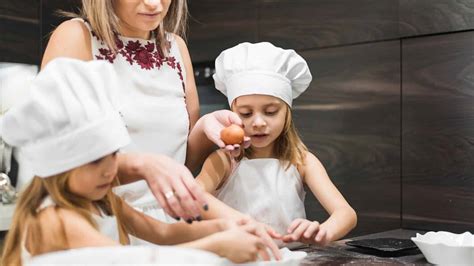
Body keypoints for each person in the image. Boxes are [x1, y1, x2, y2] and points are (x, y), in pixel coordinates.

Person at [38, 0, 280, 256]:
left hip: (166, 223)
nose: (154, 4)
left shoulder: (176, 47)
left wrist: (205, 129)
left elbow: (180, 165)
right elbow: (58, 160)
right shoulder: (76, 36)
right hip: (99, 220)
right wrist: (142, 165)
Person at [0, 58, 271, 266]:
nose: (111, 169)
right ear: (58, 169)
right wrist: (219, 245)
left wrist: (225, 226)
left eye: (114, 154)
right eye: (95, 162)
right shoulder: (57, 218)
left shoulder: (103, 200)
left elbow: (163, 233)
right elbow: (129, 260)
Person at [196, 42, 358, 246]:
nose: (258, 122)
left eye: (270, 111)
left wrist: (322, 232)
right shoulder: (224, 160)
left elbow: (346, 213)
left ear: (287, 113)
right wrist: (242, 223)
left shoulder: (301, 160)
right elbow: (194, 195)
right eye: (246, 114)